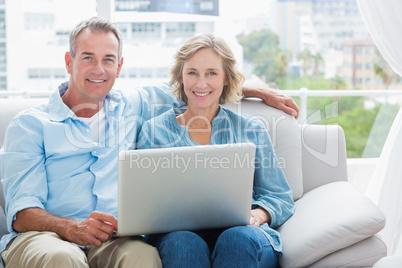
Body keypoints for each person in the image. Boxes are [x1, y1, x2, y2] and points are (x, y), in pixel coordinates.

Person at [0, 17, 298, 267]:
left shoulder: (130, 106)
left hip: (113, 239)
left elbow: (200, 88)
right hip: (49, 237)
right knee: (62, 258)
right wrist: (72, 228)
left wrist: (257, 91)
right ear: (69, 61)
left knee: (143, 258)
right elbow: (21, 212)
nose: (98, 69)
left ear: (119, 67)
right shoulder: (29, 124)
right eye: (88, 57)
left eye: (108, 60)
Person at [137, 34, 295, 267]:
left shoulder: (250, 129)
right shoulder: (154, 131)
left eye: (212, 73)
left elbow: (280, 196)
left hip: (243, 235)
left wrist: (259, 215)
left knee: (236, 239)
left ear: (226, 79)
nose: (201, 84)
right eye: (192, 73)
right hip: (178, 236)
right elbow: (143, 203)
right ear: (181, 76)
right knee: (183, 243)